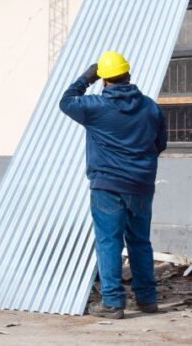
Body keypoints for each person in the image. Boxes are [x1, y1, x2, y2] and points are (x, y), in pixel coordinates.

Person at [59, 52, 167, 319]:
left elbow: (65, 101)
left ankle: (113, 303)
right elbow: (160, 145)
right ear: (129, 75)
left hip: (107, 185)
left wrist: (86, 77)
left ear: (104, 80)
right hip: (141, 185)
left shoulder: (94, 107)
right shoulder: (151, 107)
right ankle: (147, 300)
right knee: (140, 242)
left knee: (109, 243)